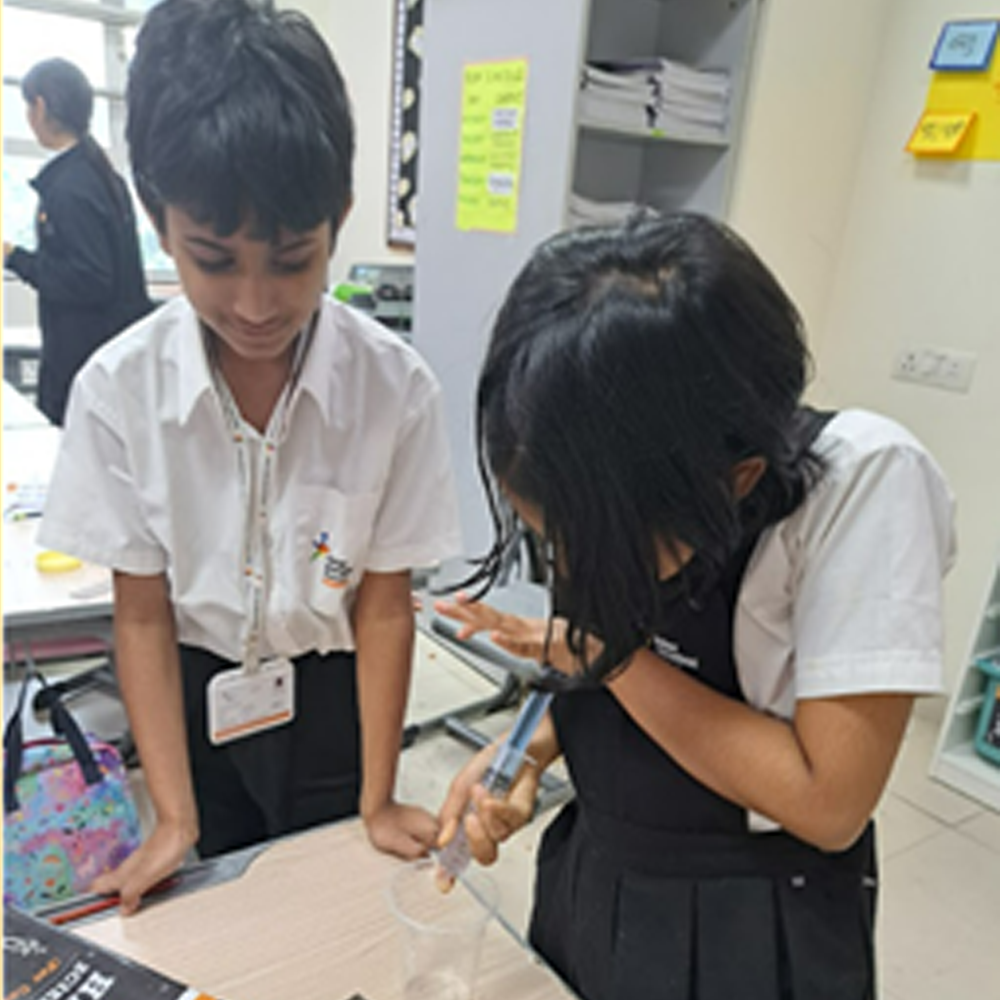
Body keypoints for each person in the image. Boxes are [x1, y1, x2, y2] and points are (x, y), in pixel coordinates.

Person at [434, 212, 956, 1000]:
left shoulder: (866, 482)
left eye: (596, 545)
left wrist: (599, 659)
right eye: (552, 539)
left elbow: (828, 802)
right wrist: (528, 752)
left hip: (747, 914)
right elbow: (602, 666)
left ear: (736, 481)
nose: (572, 566)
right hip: (598, 867)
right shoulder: (601, 471)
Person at [38, 0, 461, 914]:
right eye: (215, 260)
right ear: (158, 217)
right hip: (197, 687)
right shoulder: (120, 390)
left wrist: (380, 795)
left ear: (338, 219)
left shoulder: (396, 387)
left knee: (337, 897)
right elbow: (142, 614)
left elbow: (386, 602)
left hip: (333, 691)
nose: (259, 302)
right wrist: (170, 820)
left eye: (293, 258)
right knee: (220, 904)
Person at [3, 58, 153, 426]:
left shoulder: (71, 188)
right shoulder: (96, 174)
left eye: (27, 106)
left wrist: (15, 258)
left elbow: (89, 279)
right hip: (107, 354)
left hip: (83, 358)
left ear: (39, 107)